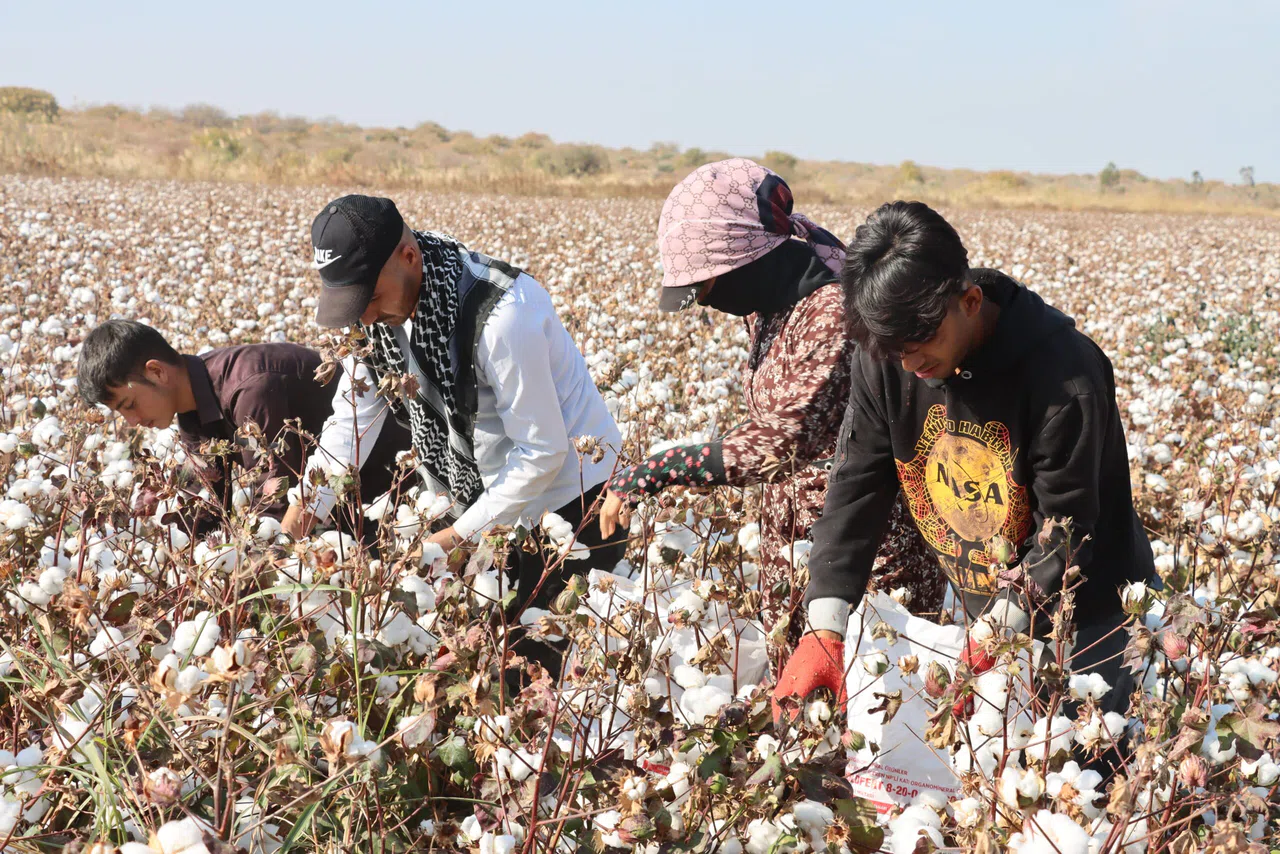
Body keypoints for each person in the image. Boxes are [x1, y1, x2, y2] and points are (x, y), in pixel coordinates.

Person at [774, 201, 1156, 723]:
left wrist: (994, 636)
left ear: (970, 301)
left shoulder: (1063, 378)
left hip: (1088, 613)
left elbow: (1065, 530)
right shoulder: (887, 354)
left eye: (920, 344)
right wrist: (824, 623)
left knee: (1086, 758)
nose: (910, 366)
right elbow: (856, 484)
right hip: (987, 603)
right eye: (893, 352)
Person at [281, 195, 625, 675]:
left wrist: (456, 537)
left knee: (546, 679)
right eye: (352, 305)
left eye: (371, 299)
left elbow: (541, 452)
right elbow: (350, 422)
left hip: (573, 503)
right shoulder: (376, 322)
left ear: (408, 256)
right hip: (483, 502)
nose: (363, 318)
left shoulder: (502, 314)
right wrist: (292, 522)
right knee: (478, 668)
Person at [600, 159, 942, 627]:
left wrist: (659, 469)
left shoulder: (832, 317)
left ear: (748, 261)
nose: (701, 300)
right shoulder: (770, 305)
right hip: (800, 544)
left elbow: (780, 442)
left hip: (866, 554)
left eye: (704, 284)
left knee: (859, 689)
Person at [76, 320, 410, 535]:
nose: (132, 423)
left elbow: (277, 506)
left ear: (157, 372)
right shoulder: (192, 409)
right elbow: (206, 508)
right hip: (337, 511)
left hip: (396, 501)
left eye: (129, 406)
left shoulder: (250, 387)